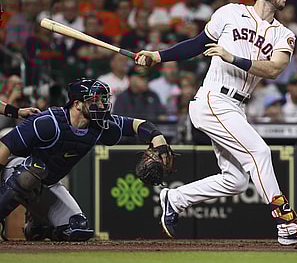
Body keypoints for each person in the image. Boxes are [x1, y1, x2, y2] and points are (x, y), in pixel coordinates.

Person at [135, 0, 297, 245]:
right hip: (213, 98)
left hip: (236, 106)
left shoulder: (283, 34)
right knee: (259, 152)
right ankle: (287, 223)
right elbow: (197, 44)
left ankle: (175, 198)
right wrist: (157, 55)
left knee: (236, 180)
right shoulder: (229, 12)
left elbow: (274, 69)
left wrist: (232, 57)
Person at [0, 78, 170, 241]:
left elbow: (137, 125)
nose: (102, 105)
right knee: (32, 171)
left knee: (77, 228)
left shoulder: (99, 125)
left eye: (103, 100)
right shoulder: (48, 122)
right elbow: (5, 145)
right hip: (15, 170)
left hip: (48, 182)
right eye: (95, 100)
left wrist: (158, 139)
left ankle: (38, 224)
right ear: (77, 104)